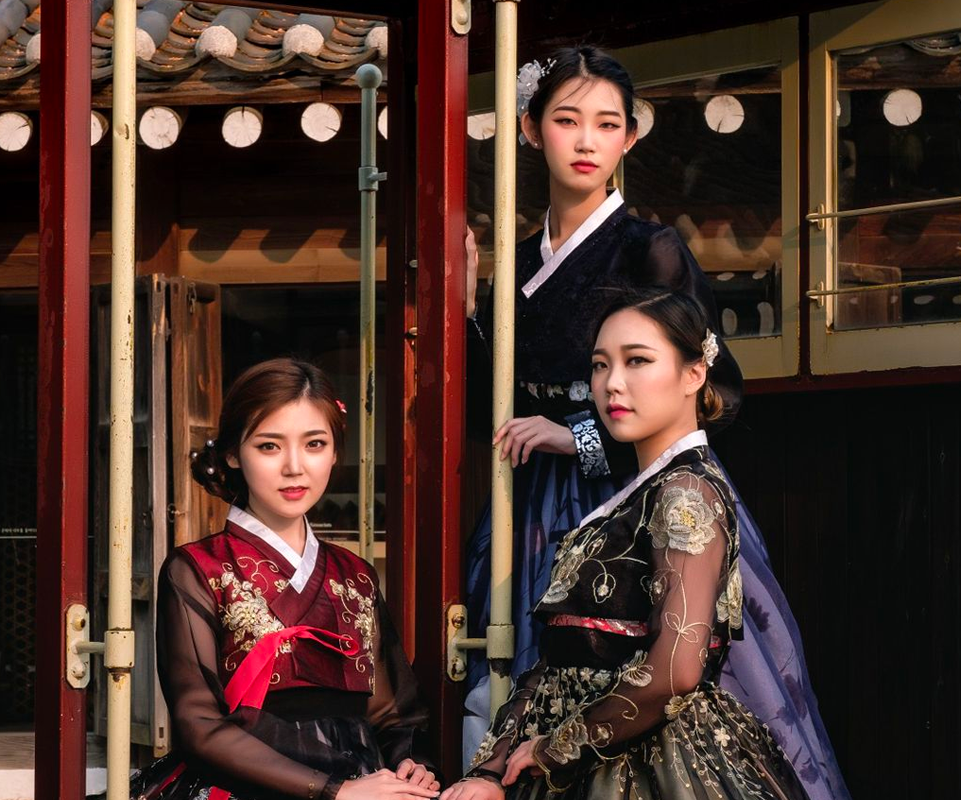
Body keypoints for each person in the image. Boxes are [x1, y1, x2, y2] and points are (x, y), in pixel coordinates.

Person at [462, 45, 848, 800]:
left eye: (606, 124)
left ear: (628, 140)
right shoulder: (511, 262)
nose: (585, 141)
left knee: (674, 680)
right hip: (531, 504)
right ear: (531, 129)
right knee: (512, 672)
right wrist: (463, 301)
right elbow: (489, 409)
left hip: (639, 491)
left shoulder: (651, 248)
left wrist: (574, 432)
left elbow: (720, 390)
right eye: (567, 120)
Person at [445, 289, 809, 800]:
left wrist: (555, 750)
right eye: (599, 366)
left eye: (638, 360)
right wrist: (494, 767)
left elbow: (675, 671)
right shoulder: (637, 497)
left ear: (693, 374)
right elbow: (554, 664)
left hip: (649, 768)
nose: (612, 383)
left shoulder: (686, 491)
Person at [128, 358, 439, 800]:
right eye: (270, 446)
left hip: (364, 785)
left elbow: (394, 715)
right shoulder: (197, 569)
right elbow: (198, 725)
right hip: (248, 786)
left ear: (335, 452)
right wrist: (334, 791)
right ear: (234, 454)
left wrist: (414, 765)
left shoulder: (357, 577)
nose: (295, 467)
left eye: (314, 444)